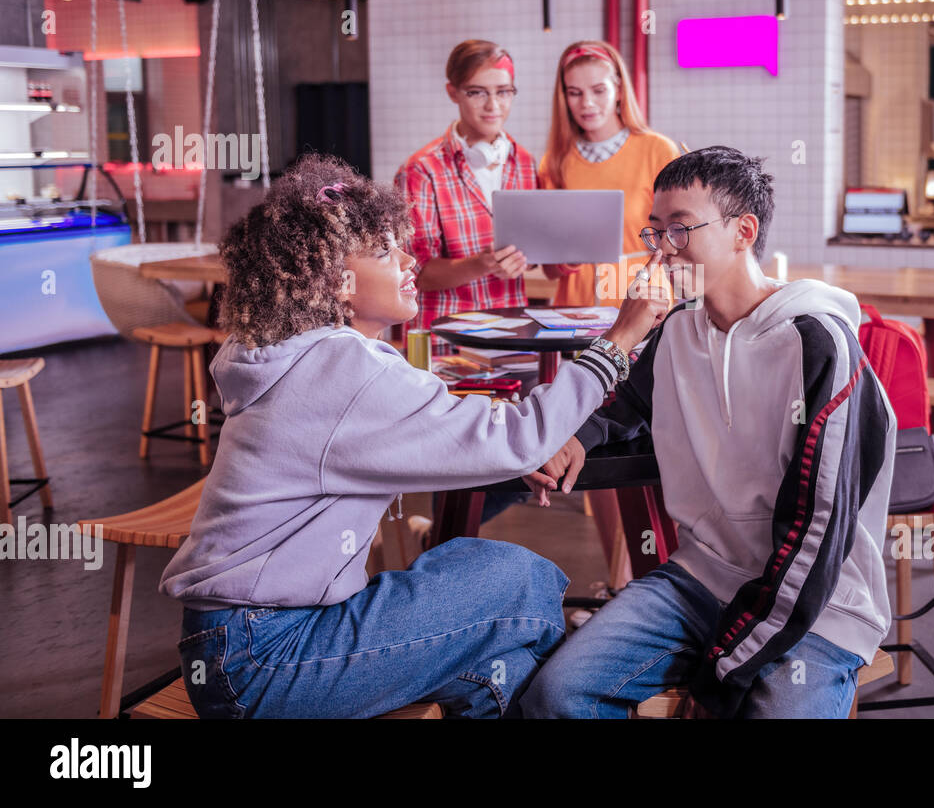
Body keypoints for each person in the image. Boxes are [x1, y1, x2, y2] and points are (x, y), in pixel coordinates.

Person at [157, 154, 669, 718]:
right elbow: (518, 438)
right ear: (335, 282)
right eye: (383, 251)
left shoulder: (298, 357)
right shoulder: (342, 367)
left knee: (502, 669)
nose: (409, 261)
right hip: (262, 658)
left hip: (241, 645)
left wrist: (500, 451)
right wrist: (619, 339)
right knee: (518, 578)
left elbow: (448, 438)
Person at [519, 146, 898, 719]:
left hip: (815, 605)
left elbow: (819, 528)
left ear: (744, 231)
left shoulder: (819, 344)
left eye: (680, 230)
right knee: (555, 695)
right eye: (655, 233)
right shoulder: (676, 331)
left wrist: (726, 664)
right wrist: (578, 437)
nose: (662, 249)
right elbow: (624, 407)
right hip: (698, 579)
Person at [394, 39, 536, 352]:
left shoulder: (525, 163)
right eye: (477, 92)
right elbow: (414, 272)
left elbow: (532, 252)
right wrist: (482, 264)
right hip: (446, 346)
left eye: (503, 91)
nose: (493, 105)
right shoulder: (421, 170)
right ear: (453, 92)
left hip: (512, 342)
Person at [538, 39, 681, 307]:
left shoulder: (658, 151)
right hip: (574, 313)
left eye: (598, 90)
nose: (587, 103)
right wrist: (567, 259)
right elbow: (549, 270)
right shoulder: (554, 162)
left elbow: (682, 239)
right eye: (575, 93)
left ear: (618, 90)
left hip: (644, 307)